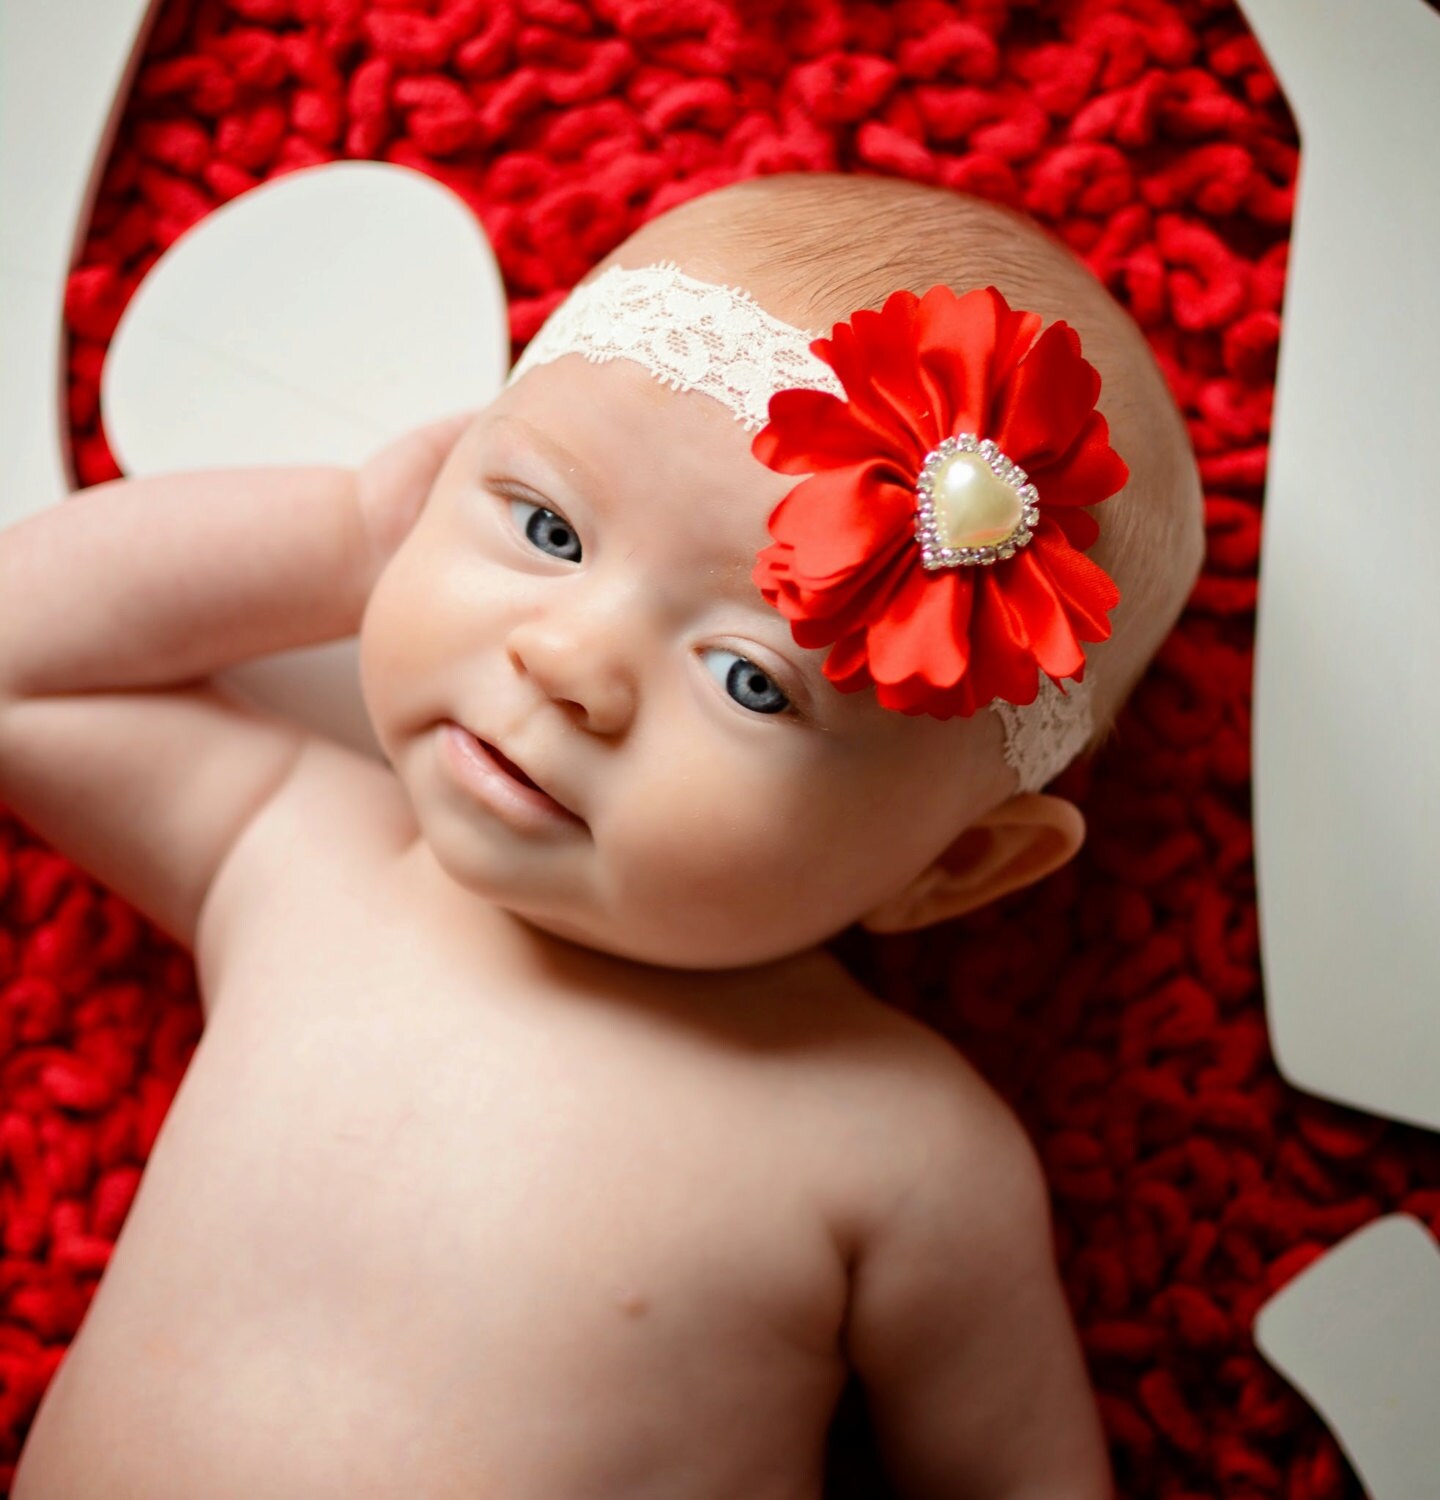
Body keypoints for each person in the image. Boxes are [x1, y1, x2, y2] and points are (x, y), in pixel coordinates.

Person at [0, 172, 1203, 1499]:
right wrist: (353, 533)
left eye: (753, 679)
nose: (570, 660)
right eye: (550, 528)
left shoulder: (902, 1145)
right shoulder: (304, 860)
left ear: (956, 864)